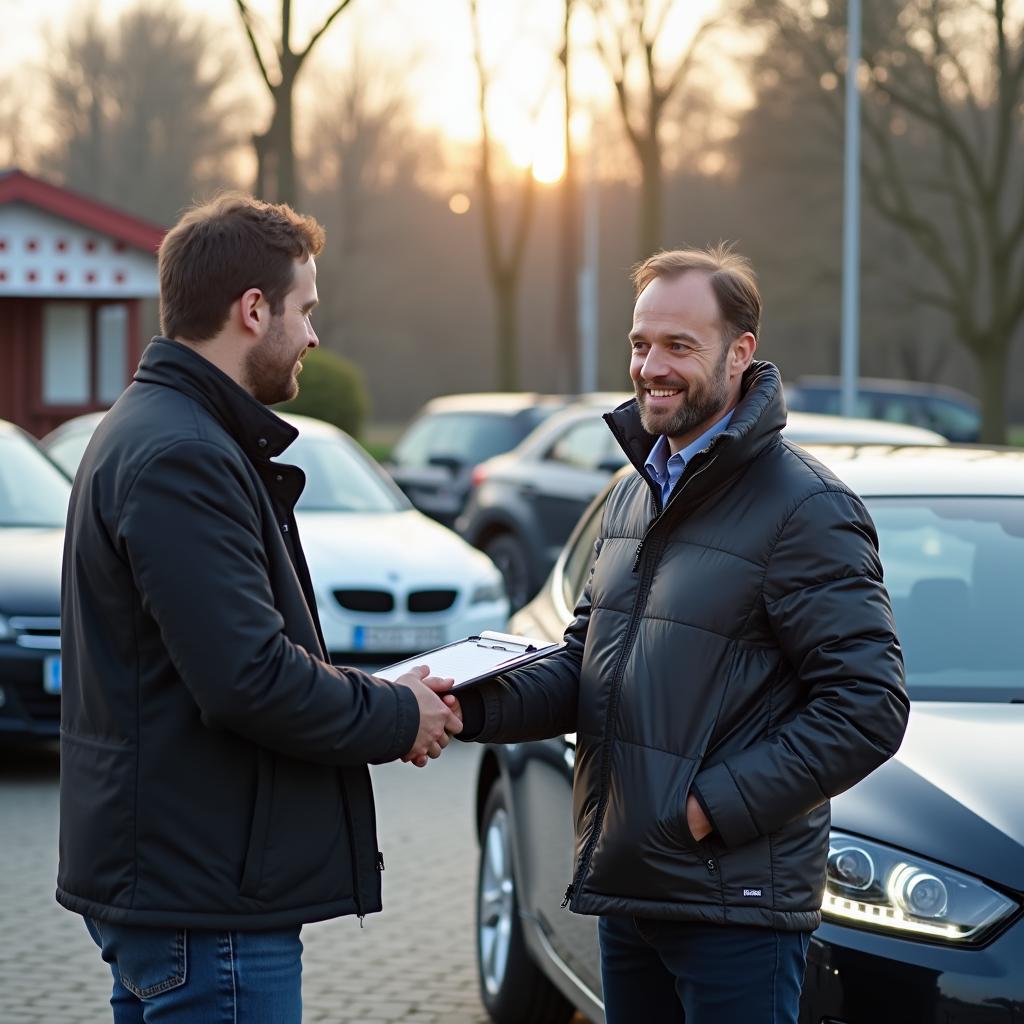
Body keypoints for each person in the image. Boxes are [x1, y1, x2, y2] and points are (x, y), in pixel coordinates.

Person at [452, 245, 909, 1024]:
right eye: (639, 343)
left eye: (677, 346)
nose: (650, 366)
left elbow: (868, 706)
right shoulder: (633, 495)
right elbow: (586, 665)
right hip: (634, 891)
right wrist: (466, 705)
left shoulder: (805, 509)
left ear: (740, 354)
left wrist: (707, 809)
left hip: (734, 907)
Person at [57, 193, 461, 1023]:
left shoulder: (155, 429)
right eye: (304, 309)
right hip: (208, 905)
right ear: (252, 310)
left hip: (177, 890)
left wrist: (383, 691)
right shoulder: (183, 454)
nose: (314, 334)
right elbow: (247, 678)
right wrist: (394, 716)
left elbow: (224, 651)